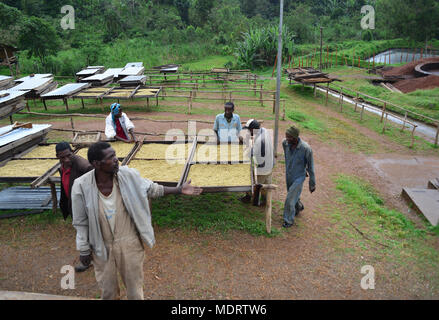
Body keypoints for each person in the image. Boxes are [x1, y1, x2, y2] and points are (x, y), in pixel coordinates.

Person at [71, 142, 203, 300]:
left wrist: (178, 190)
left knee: (135, 291)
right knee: (108, 291)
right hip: (101, 245)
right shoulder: (81, 186)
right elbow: (80, 222)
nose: (116, 160)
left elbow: (151, 188)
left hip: (129, 242)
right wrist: (84, 249)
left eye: (115, 155)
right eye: (110, 157)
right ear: (96, 164)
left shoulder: (127, 175)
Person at [55, 142, 94, 272]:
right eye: (62, 158)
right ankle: (91, 259)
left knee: (84, 234)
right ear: (57, 157)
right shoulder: (62, 167)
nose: (66, 160)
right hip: (75, 204)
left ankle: (87, 261)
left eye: (68, 156)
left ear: (72, 152)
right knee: (85, 234)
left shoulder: (83, 166)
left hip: (87, 206)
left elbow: (95, 182)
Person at [282, 126, 316, 228]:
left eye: (290, 137)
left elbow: (311, 167)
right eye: (286, 137)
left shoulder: (306, 149)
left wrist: (312, 183)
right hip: (288, 175)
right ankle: (298, 207)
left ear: (296, 137)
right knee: (293, 195)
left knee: (289, 199)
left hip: (299, 177)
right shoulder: (285, 143)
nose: (287, 139)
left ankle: (288, 220)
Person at [240, 119, 274, 205]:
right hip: (270, 163)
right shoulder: (265, 131)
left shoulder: (260, 141)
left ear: (252, 130)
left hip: (262, 167)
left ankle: (252, 199)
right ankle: (264, 200)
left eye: (248, 130)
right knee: (266, 183)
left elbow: (251, 154)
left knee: (254, 183)